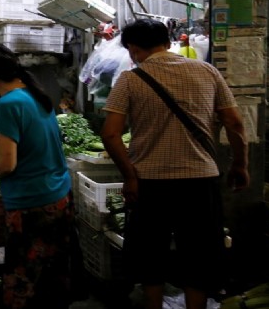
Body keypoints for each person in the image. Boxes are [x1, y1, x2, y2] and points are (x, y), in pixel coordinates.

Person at [100, 19, 249, 309]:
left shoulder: (130, 80)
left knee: (149, 254)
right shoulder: (208, 71)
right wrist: (240, 164)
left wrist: (129, 177)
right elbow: (235, 123)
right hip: (200, 180)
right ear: (168, 43)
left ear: (132, 49)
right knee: (199, 254)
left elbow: (110, 133)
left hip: (150, 184)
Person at [0, 42, 80, 308]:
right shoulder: (34, 95)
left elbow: (6, 164)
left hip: (31, 204)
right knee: (53, 274)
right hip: (59, 195)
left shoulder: (5, 105)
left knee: (25, 277)